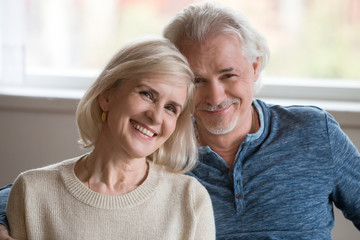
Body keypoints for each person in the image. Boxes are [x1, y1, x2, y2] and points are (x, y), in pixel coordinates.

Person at [1, 1, 360, 239]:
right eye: (197, 81)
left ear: (254, 67)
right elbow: (57, 197)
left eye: (228, 75)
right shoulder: (157, 146)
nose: (215, 96)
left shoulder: (313, 132)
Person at [1, 37, 215, 240]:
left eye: (170, 108)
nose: (156, 116)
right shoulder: (32, 191)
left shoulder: (190, 199)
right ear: (106, 96)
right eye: (147, 94)